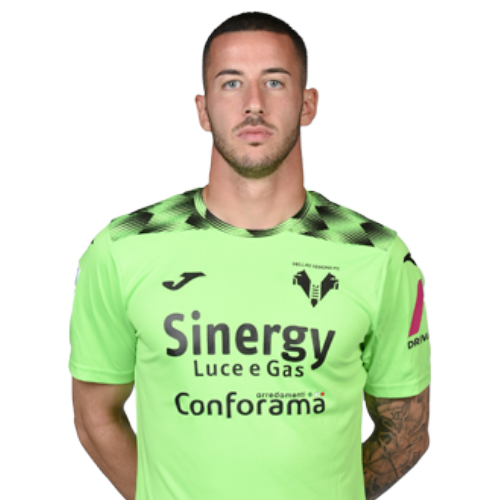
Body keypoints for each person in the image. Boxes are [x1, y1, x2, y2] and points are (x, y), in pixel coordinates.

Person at [69, 11, 430, 500]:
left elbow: (407, 432)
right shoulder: (122, 247)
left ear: (307, 104)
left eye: (275, 82)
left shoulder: (377, 255)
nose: (253, 103)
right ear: (203, 110)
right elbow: (94, 417)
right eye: (231, 83)